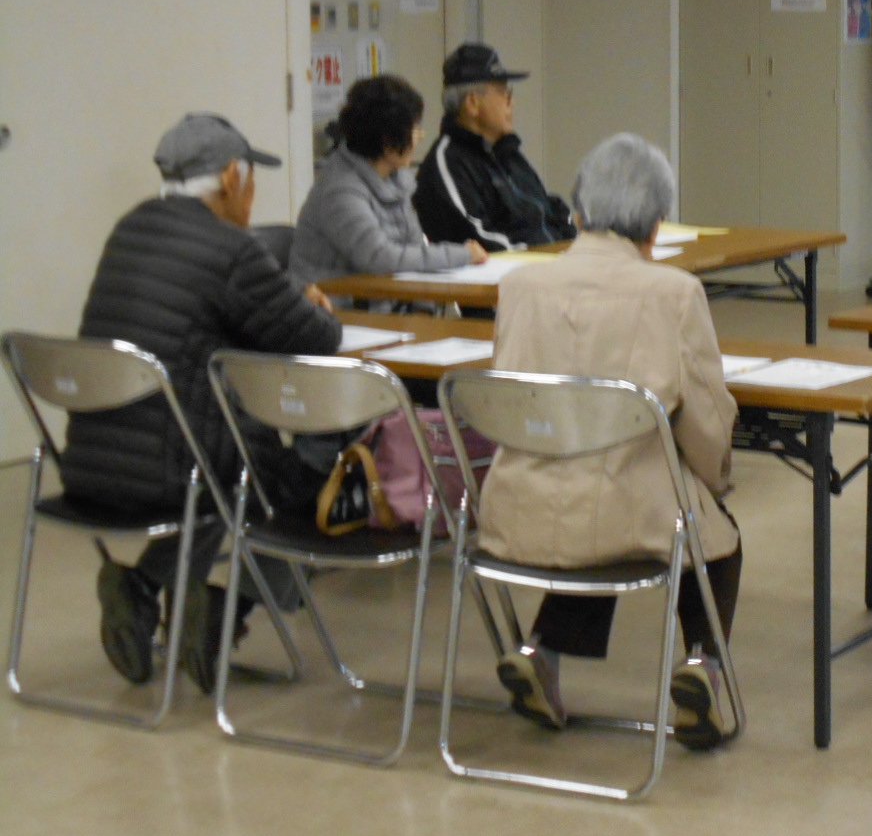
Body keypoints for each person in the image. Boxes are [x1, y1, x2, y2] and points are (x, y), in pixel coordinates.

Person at [475, 133, 740, 750]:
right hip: (624, 513)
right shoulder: (673, 294)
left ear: (578, 210)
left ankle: (540, 655)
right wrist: (715, 478)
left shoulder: (519, 287)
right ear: (655, 224)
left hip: (517, 508)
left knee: (594, 529)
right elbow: (702, 420)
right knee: (711, 536)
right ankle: (704, 670)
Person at [60, 114, 342, 692]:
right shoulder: (230, 250)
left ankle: (142, 589)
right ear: (234, 177)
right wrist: (310, 303)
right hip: (176, 470)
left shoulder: (130, 228)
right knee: (301, 475)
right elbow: (315, 339)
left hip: (91, 467)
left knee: (215, 450)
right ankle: (221, 609)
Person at [290, 74, 488, 285]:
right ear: (387, 139)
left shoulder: (398, 179)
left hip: (384, 303)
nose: (420, 136)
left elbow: (415, 250)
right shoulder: (340, 189)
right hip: (338, 309)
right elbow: (379, 259)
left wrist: (424, 309)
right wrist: (462, 255)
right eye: (414, 129)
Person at [412, 43, 575, 251]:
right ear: (472, 103)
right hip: (507, 277)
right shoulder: (447, 163)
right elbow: (477, 241)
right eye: (504, 93)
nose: (512, 102)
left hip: (548, 267)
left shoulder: (508, 153)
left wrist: (574, 248)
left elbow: (550, 208)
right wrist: (548, 257)